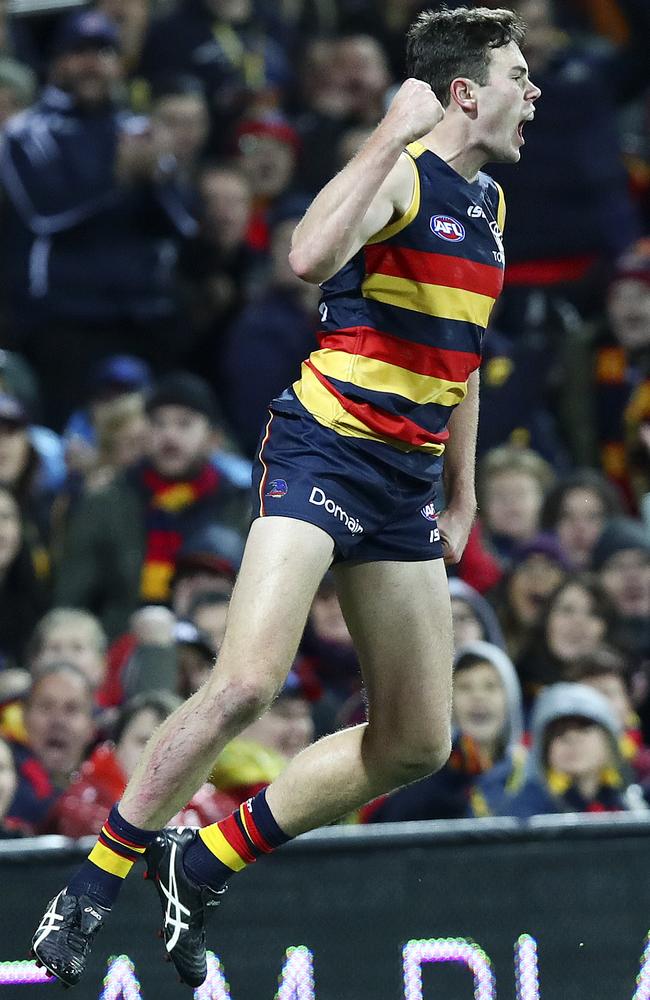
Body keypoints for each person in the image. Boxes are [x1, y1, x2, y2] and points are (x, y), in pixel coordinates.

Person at [31, 6, 540, 989]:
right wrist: (387, 129)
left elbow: (462, 352)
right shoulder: (398, 173)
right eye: (518, 77)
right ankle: (92, 881)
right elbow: (304, 256)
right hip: (321, 450)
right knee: (246, 683)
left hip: (402, 481)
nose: (534, 96)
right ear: (465, 93)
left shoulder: (490, 209)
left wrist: (462, 490)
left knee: (415, 740)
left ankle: (208, 856)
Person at [54, 371, 248, 638]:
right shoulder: (107, 501)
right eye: (158, 424)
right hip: (120, 652)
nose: (169, 436)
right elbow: (71, 600)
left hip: (218, 645)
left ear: (213, 438)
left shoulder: (240, 505)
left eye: (184, 424)